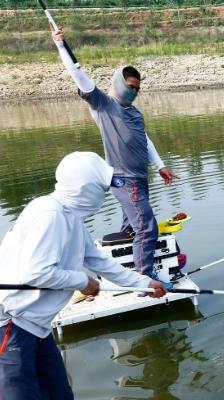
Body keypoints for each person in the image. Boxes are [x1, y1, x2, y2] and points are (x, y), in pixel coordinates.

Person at [0, 151, 168, 399]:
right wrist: (83, 282)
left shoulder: (71, 219)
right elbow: (36, 273)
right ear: (86, 187)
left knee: (60, 394)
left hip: (38, 328)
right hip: (12, 325)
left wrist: (145, 284)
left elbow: (101, 262)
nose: (104, 193)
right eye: (102, 187)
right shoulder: (50, 213)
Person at [51, 25, 178, 281]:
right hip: (124, 178)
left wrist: (160, 166)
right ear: (120, 83)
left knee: (133, 228)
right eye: (131, 86)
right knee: (146, 228)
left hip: (140, 178)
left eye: (138, 88)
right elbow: (78, 75)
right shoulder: (103, 105)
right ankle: (146, 278)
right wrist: (61, 45)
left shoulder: (134, 112)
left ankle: (124, 268)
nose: (135, 91)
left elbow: (144, 139)